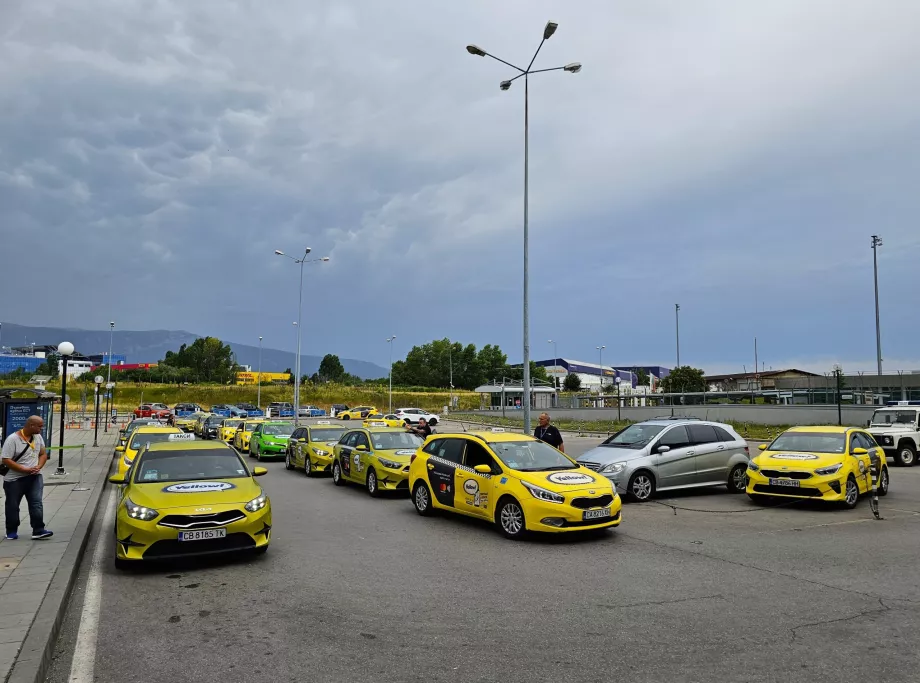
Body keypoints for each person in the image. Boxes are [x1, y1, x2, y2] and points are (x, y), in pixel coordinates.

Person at [2, 415, 53, 540]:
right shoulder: (13, 439)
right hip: (14, 479)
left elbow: (42, 454)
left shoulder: (38, 437)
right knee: (13, 505)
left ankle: (38, 530)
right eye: (40, 426)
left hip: (34, 477)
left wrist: (39, 466)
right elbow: (6, 460)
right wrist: (24, 469)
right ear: (31, 425)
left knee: (36, 503)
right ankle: (11, 530)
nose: (41, 429)